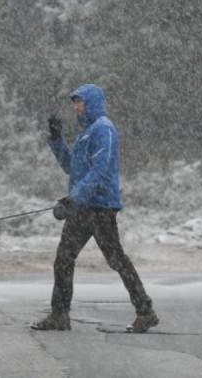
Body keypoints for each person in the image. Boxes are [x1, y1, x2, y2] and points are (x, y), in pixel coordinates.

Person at [30, 83, 158, 333]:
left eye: (80, 102)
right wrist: (57, 141)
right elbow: (71, 168)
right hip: (81, 208)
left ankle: (146, 311)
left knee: (116, 260)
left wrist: (73, 198)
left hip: (100, 208)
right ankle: (59, 315)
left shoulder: (104, 130)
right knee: (63, 259)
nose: (76, 107)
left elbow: (100, 169)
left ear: (92, 103)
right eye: (75, 103)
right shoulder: (85, 134)